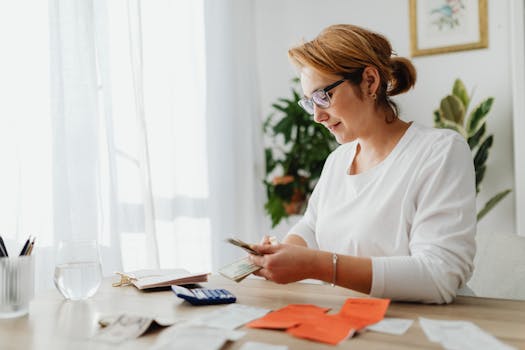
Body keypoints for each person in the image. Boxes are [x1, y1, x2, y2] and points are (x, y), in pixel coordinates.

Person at [249, 24, 476, 304]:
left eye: (324, 96)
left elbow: (438, 275)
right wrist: (283, 251)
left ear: (370, 81)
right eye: (310, 102)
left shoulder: (439, 151)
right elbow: (312, 227)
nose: (317, 116)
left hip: (425, 327)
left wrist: (315, 265)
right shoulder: (338, 160)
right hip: (352, 319)